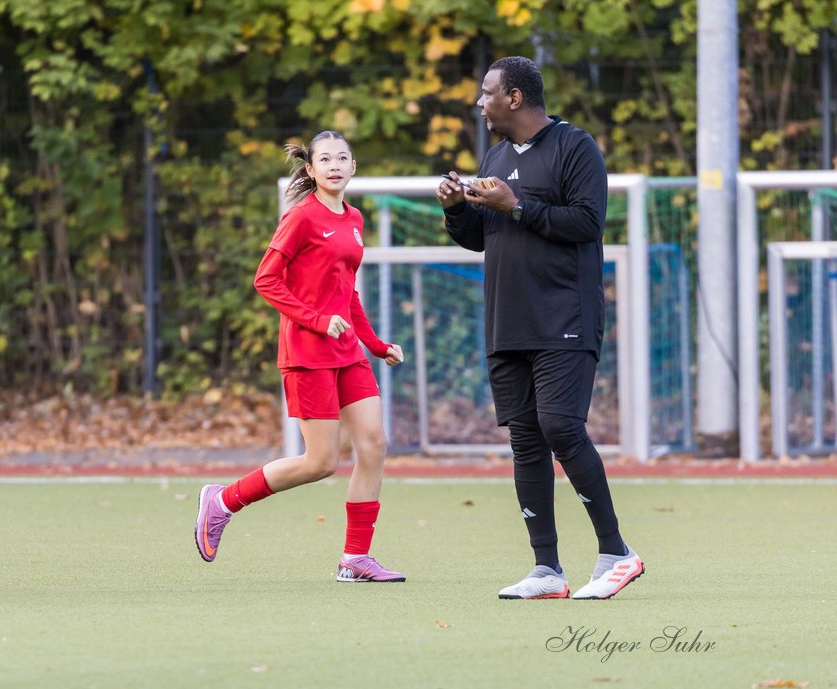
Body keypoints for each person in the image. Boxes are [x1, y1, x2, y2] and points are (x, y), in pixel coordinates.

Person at [437, 56, 645, 600]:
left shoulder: (576, 146)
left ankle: (617, 554)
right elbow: (483, 237)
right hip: (509, 321)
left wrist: (519, 206)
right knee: (526, 441)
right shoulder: (497, 154)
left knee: (560, 427)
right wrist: (459, 210)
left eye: (487, 93)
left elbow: (587, 222)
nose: (479, 102)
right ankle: (547, 569)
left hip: (565, 318)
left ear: (514, 98)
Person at [194, 131, 406, 582]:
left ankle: (355, 559)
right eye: (324, 159)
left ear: (353, 167)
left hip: (347, 352)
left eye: (342, 157)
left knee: (373, 445)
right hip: (308, 353)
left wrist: (377, 344)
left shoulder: (354, 219)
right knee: (320, 463)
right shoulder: (301, 217)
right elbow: (266, 280)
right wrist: (315, 320)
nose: (334, 165)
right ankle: (223, 501)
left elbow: (346, 294)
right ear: (310, 170)